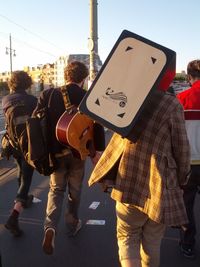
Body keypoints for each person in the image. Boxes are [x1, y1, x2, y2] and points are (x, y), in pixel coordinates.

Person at [88, 89, 191, 267]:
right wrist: (182, 179)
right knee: (152, 242)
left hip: (128, 179)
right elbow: (182, 149)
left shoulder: (131, 97)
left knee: (127, 235)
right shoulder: (172, 104)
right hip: (159, 185)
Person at [35, 61, 105, 255]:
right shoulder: (86, 97)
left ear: (66, 76)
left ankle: (50, 227)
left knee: (56, 190)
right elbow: (96, 125)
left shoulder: (47, 94)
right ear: (83, 79)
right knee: (74, 191)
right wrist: (95, 152)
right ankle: (72, 224)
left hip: (54, 154)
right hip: (77, 153)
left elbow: (37, 122)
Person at [2, 71, 37, 237]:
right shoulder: (32, 100)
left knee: (20, 171)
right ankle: (14, 216)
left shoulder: (6, 100)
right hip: (30, 146)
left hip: (13, 145)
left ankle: (23, 197)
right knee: (27, 178)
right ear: (27, 83)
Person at [177, 59, 200, 259]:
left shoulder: (182, 98)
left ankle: (187, 243)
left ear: (189, 77)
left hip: (190, 163)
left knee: (187, 204)